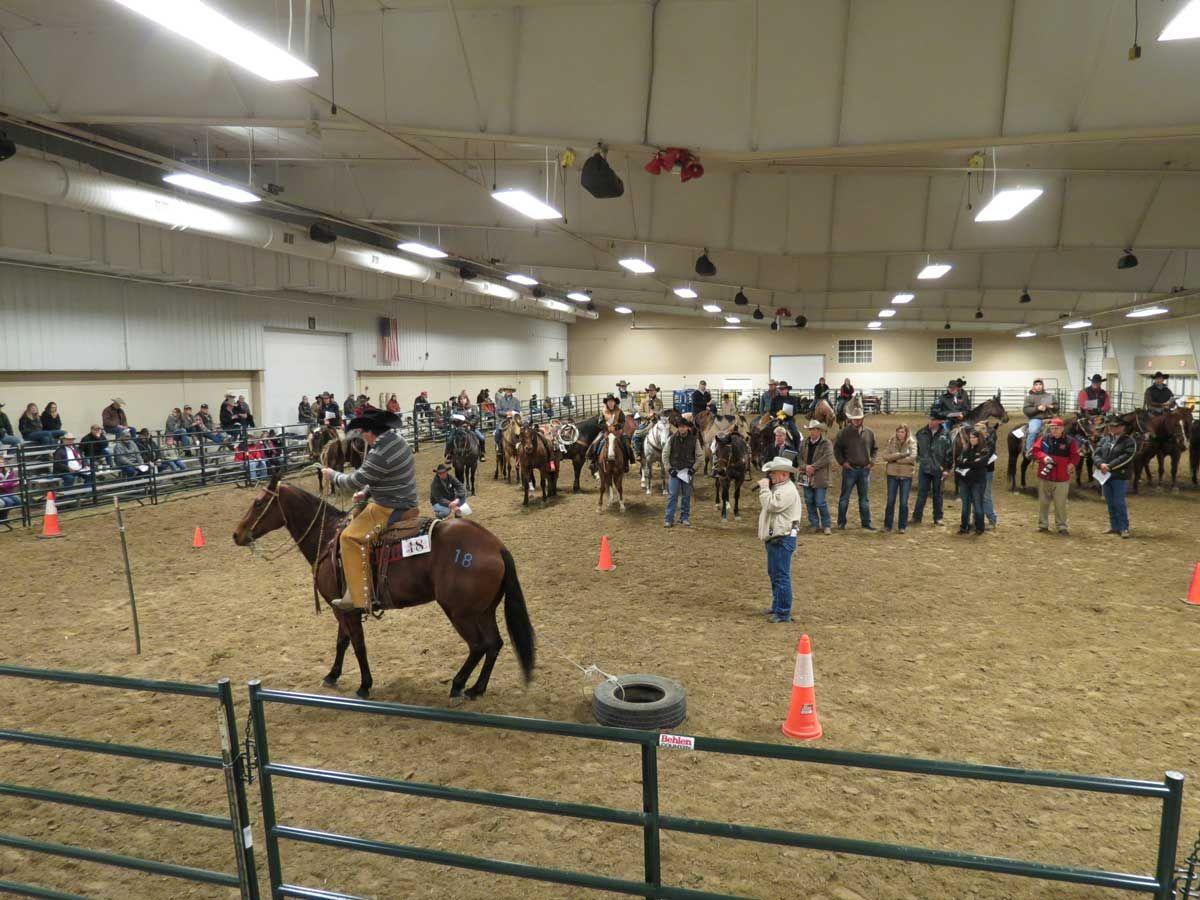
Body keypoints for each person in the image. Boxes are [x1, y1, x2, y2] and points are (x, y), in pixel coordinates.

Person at [322, 409, 417, 612]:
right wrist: (366, 492)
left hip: (390, 506)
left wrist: (333, 475)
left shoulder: (380, 452)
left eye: (362, 433)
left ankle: (358, 598)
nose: (362, 437)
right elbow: (381, 475)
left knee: (348, 537)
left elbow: (354, 480)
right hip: (403, 498)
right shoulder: (397, 441)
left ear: (369, 432)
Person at [757, 456, 803, 624]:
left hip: (782, 538)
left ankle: (783, 612)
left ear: (784, 474)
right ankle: (778, 606)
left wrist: (763, 489)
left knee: (781, 575)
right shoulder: (782, 488)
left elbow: (771, 505)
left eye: (773, 473)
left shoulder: (787, 491)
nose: (770, 476)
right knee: (775, 573)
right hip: (778, 537)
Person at [1031, 418, 1079, 535]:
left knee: (1060, 504)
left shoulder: (1070, 441)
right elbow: (1035, 450)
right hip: (1045, 476)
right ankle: (1043, 525)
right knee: (1043, 502)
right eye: (1052, 428)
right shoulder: (1044, 438)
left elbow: (1075, 456)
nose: (1054, 430)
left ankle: (1062, 526)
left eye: (1056, 428)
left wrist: (1071, 464)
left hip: (1061, 478)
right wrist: (1044, 457)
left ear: (1062, 428)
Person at [1092, 414, 1136, 538]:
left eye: (1115, 426)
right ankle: (1114, 526)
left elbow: (1127, 457)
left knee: (1119, 502)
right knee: (1110, 501)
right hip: (1105, 474)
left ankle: (1123, 527)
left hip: (1119, 476)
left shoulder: (1129, 441)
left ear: (1122, 427)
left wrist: (1109, 466)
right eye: (1111, 426)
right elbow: (1096, 453)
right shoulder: (1105, 439)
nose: (1112, 428)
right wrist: (1100, 464)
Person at [833, 408, 876, 530]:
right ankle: (841, 523)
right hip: (850, 469)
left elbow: (875, 448)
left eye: (859, 419)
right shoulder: (843, 433)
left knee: (864, 499)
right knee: (844, 498)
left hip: (864, 470)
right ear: (851, 419)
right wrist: (842, 462)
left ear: (862, 419)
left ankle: (866, 523)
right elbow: (837, 449)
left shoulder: (869, 433)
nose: (857, 421)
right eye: (855, 419)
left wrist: (872, 461)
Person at [911, 416, 950, 526]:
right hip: (925, 468)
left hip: (939, 469)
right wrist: (920, 460)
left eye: (935, 420)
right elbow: (916, 449)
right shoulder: (921, 433)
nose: (933, 422)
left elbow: (949, 452)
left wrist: (946, 468)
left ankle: (938, 518)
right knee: (921, 493)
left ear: (939, 421)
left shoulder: (945, 434)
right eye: (932, 419)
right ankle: (916, 516)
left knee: (938, 494)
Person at [662, 417, 702, 527]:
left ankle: (684, 517)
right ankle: (669, 519)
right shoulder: (671, 439)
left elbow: (700, 456)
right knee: (672, 495)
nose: (681, 429)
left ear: (687, 428)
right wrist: (669, 469)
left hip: (687, 472)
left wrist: (693, 469)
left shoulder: (695, 440)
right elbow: (665, 455)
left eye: (683, 427)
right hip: (674, 471)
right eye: (680, 427)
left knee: (686, 495)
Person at [800, 419, 833, 534]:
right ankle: (814, 524)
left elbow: (827, 458)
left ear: (819, 431)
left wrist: (812, 467)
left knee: (820, 502)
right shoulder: (804, 442)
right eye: (810, 429)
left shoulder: (826, 443)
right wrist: (805, 467)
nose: (812, 432)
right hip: (805, 475)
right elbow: (799, 458)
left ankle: (826, 525)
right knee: (809, 501)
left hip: (820, 477)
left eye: (814, 429)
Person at [882, 423, 916, 533]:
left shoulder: (912, 442)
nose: (900, 434)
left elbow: (912, 457)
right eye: (898, 431)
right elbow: (885, 456)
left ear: (906, 432)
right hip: (892, 474)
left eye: (902, 432)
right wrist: (901, 455)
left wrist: (896, 460)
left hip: (906, 476)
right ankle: (888, 525)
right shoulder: (891, 441)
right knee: (890, 501)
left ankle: (902, 526)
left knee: (903, 502)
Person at [956, 429, 990, 536]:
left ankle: (980, 528)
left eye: (974, 437)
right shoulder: (966, 450)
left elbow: (980, 464)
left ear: (979, 438)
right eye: (970, 438)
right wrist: (971, 463)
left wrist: (967, 463)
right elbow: (959, 462)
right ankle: (964, 526)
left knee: (977, 505)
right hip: (965, 481)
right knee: (965, 505)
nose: (972, 439)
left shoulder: (984, 450)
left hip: (977, 482)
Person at [589, 394, 630, 472]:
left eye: (612, 401)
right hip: (606, 431)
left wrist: (617, 427)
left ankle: (626, 462)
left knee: (626, 444)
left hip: (617, 432)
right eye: (609, 402)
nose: (610, 403)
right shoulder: (603, 411)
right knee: (596, 443)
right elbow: (600, 422)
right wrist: (606, 427)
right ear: (607, 403)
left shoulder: (619, 411)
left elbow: (623, 422)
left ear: (614, 402)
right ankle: (594, 462)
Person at [1021, 378, 1057, 455]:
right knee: (1033, 430)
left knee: (1060, 428)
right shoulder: (1030, 397)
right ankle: (1030, 450)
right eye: (1036, 385)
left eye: (1040, 384)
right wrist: (1037, 408)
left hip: (1049, 418)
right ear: (1034, 386)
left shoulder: (1049, 396)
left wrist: (1052, 406)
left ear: (1043, 385)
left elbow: (1057, 407)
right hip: (1036, 419)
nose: (1038, 386)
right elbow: (1026, 410)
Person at [977, 423, 999, 530]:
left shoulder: (990, 442)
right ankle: (977, 518)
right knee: (976, 495)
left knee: (986, 496)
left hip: (986, 471)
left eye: (978, 431)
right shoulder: (974, 441)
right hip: (976, 471)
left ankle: (992, 519)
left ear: (984, 431)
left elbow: (985, 457)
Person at [634, 384, 664, 461]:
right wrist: (648, 415)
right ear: (648, 391)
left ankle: (664, 454)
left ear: (655, 391)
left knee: (666, 436)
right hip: (646, 423)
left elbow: (662, 412)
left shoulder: (659, 401)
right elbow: (640, 412)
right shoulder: (644, 401)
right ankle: (637, 453)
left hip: (656, 422)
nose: (652, 392)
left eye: (653, 390)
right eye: (650, 391)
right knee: (636, 436)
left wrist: (656, 414)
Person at [0, 452, 18, 522]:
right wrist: (9, 484)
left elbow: (14, 481)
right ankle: (3, 518)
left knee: (18, 501)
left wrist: (4, 485)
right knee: (9, 502)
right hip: (2, 493)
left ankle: (3, 517)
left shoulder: (8, 470)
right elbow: (12, 483)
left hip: (6, 492)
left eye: (2, 462)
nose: (1, 463)